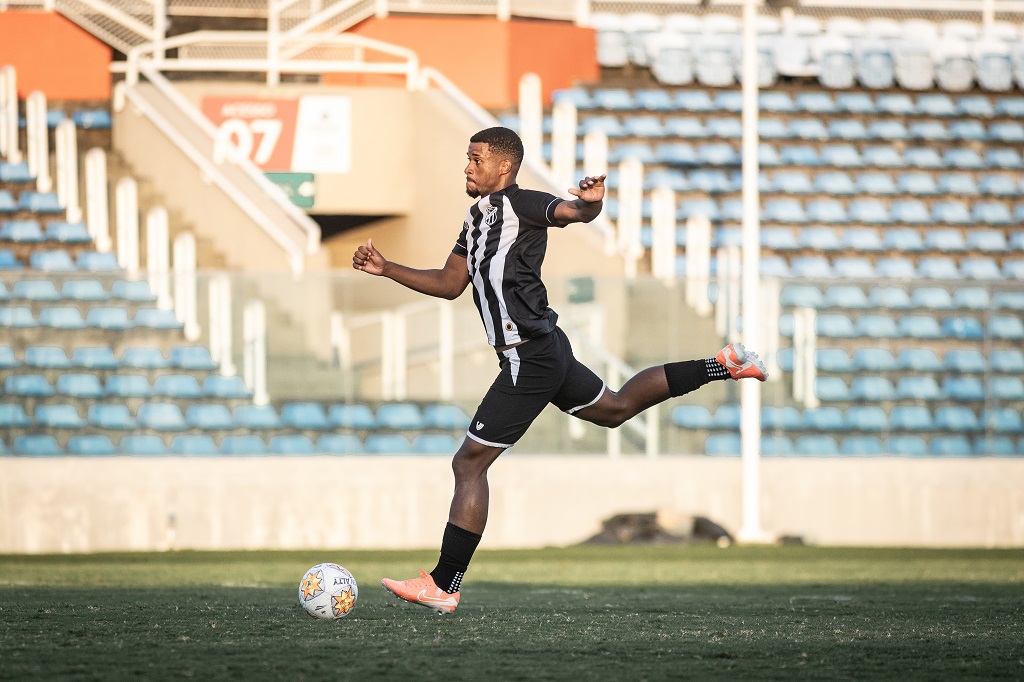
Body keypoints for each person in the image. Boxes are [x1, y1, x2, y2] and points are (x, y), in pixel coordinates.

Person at [352, 126, 767, 615]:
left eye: (476, 158)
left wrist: (590, 203)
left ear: (504, 167)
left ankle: (445, 583)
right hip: (542, 349)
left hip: (530, 356)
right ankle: (723, 364)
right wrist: (388, 267)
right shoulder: (476, 218)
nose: (467, 166)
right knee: (615, 408)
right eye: (467, 158)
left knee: (469, 464)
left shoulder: (523, 204)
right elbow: (448, 283)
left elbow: (570, 212)